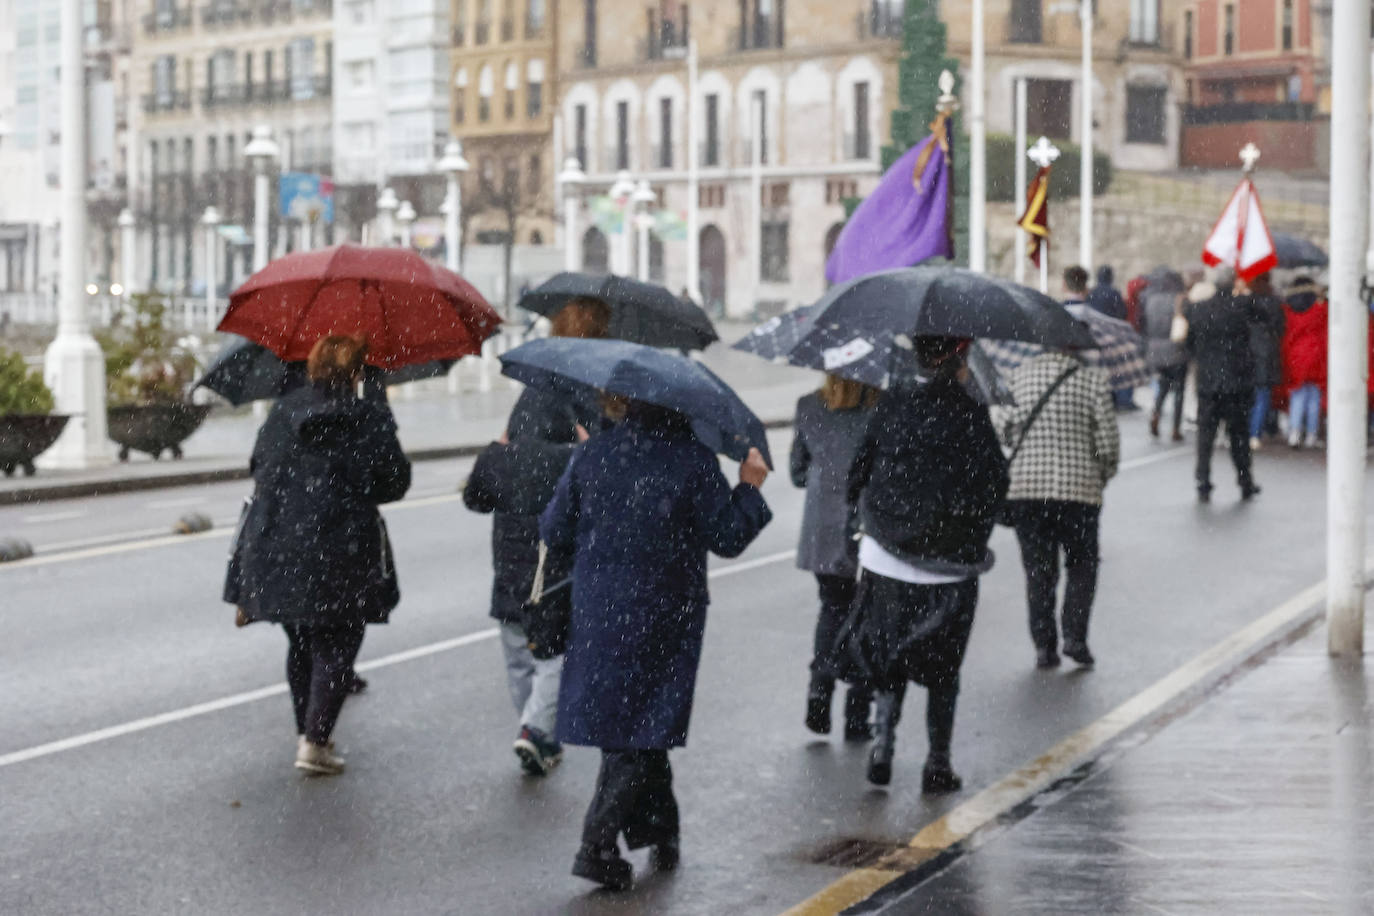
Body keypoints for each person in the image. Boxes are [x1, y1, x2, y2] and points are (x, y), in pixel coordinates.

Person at [541, 402, 772, 891]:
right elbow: (727, 537)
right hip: (665, 611)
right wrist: (749, 487)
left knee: (635, 722)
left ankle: (659, 830)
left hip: (599, 607)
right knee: (644, 724)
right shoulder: (692, 460)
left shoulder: (593, 455)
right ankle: (596, 845)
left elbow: (554, 530)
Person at [227, 335, 411, 775]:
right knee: (338, 641)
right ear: (359, 371)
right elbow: (394, 484)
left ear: (311, 366)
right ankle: (315, 742)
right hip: (342, 545)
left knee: (303, 641)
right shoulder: (367, 416)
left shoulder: (284, 411)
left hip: (278, 544)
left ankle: (306, 735)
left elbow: (259, 467)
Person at [839, 336, 1008, 791]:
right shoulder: (972, 416)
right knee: (943, 666)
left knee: (889, 655)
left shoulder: (893, 405)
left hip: (887, 557)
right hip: (949, 563)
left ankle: (883, 746)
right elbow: (995, 487)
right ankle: (937, 762)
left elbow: (859, 473)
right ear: (960, 361)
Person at [473, 296, 610, 776]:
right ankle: (535, 730)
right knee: (555, 653)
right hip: (554, 563)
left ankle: (535, 731)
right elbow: (597, 498)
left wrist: (498, 455)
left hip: (509, 561)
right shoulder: (584, 422)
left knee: (517, 650)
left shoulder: (524, 407)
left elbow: (476, 496)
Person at [997, 349, 1119, 670]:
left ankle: (1043, 645)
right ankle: (1075, 637)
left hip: (1028, 492)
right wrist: (1098, 471)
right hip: (1079, 491)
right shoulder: (1092, 381)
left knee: (1039, 571)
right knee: (1082, 565)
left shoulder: (1018, 378)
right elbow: (1106, 443)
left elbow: (1002, 428)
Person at [790, 374, 879, 741]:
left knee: (832, 609)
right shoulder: (881, 408)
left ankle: (818, 695)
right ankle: (857, 714)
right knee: (869, 616)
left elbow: (798, 472)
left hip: (824, 527)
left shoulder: (809, 406)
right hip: (870, 524)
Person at [1186, 266, 1263, 503]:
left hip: (1209, 382)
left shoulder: (1199, 309)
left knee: (1206, 435)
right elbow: (1264, 316)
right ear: (1231, 283)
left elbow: (1190, 344)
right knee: (1238, 436)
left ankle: (1203, 480)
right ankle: (1244, 479)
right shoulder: (1241, 307)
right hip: (1236, 382)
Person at [1280, 277, 1328, 449]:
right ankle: (1311, 434)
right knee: (1314, 397)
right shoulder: (1319, 309)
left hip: (1295, 356)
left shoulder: (1287, 310)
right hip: (1315, 355)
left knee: (1297, 396)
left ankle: (1294, 432)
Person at [1142, 271, 1189, 442]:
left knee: (1163, 386)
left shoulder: (1151, 300)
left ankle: (1156, 412)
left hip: (1156, 351)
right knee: (1179, 391)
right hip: (1176, 351)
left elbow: (1144, 325)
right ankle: (1175, 427)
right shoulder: (1180, 300)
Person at [1241, 272, 1285, 450]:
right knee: (1262, 394)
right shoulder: (1274, 301)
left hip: (1248, 352)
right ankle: (1256, 432)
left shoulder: (1246, 301)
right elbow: (1280, 327)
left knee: (1249, 395)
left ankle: (1248, 431)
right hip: (1267, 352)